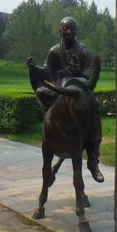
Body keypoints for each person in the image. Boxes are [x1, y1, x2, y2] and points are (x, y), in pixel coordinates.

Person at [27, 17, 104, 183]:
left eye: (71, 29)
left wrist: (78, 73)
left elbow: (91, 80)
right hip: (59, 91)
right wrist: (34, 70)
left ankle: (92, 160)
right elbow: (47, 72)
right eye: (64, 29)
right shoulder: (54, 51)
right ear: (59, 31)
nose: (67, 32)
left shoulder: (83, 52)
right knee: (41, 91)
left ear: (75, 31)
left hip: (78, 92)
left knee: (94, 113)